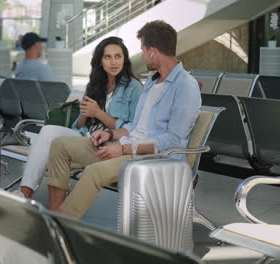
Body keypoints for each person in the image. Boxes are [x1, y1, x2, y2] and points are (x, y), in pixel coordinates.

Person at [47, 20, 201, 219]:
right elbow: (135, 127)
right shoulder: (152, 81)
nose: (143, 56)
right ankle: (53, 216)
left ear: (152, 51)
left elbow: (171, 140)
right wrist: (110, 133)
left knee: (94, 172)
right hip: (125, 146)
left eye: (143, 51)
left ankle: (60, 227)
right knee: (60, 145)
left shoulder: (185, 86)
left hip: (153, 158)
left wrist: (122, 149)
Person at [14, 36, 142, 198]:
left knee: (56, 143)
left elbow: (133, 129)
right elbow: (79, 127)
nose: (114, 62)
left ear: (125, 59)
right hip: (85, 137)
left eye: (118, 56)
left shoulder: (133, 88)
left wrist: (98, 113)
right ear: (100, 61)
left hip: (111, 144)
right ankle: (25, 191)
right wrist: (84, 114)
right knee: (48, 131)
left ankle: (45, 196)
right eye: (107, 57)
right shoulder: (95, 85)